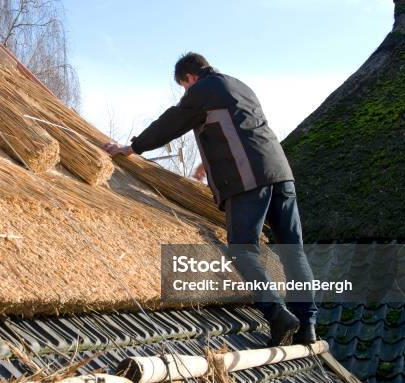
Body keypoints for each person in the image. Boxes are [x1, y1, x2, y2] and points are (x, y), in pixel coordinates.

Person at [102, 52, 317, 346]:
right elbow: (241, 131)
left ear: (189, 78)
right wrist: (207, 164)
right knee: (294, 252)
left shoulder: (203, 90)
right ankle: (308, 326)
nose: (186, 93)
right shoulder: (238, 86)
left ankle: (277, 314)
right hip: (281, 175)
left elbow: (172, 122)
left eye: (184, 87)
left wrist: (133, 147)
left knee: (243, 250)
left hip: (248, 180)